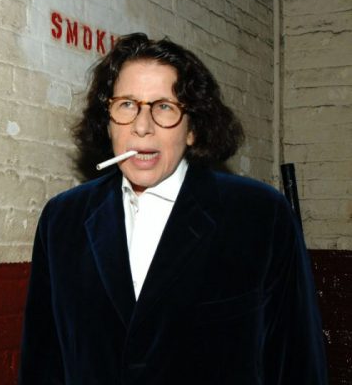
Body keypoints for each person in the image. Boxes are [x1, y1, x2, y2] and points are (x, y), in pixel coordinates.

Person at [18, 33, 327, 384]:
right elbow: (42, 362)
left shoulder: (260, 216)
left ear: (192, 128)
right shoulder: (62, 220)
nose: (142, 126)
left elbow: (297, 361)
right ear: (107, 121)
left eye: (164, 107)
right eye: (127, 105)